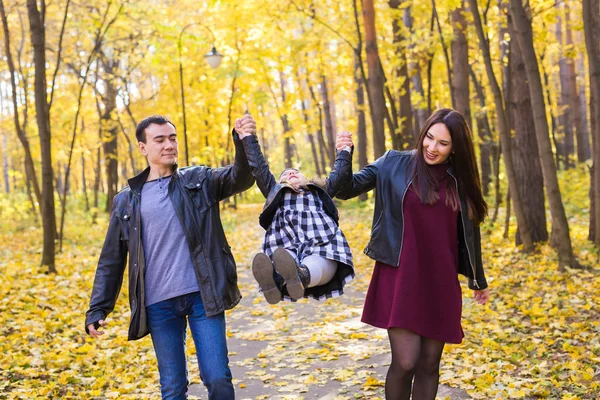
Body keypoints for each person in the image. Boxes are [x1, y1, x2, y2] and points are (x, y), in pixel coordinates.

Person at [85, 114, 257, 400]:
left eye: (173, 138)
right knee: (173, 388)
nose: (169, 145)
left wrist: (242, 142)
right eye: (160, 139)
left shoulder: (199, 180)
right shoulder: (126, 200)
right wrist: (98, 308)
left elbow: (242, 177)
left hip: (203, 295)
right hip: (158, 304)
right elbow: (112, 259)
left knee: (217, 378)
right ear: (143, 148)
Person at [336, 109, 490, 399]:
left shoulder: (461, 180)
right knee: (406, 362)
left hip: (440, 280)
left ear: (455, 147)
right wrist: (344, 154)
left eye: (442, 143)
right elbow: (344, 189)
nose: (432, 148)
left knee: (429, 364)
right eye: (429, 138)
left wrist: (478, 280)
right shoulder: (394, 163)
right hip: (401, 275)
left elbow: (471, 233)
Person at [239, 124, 355, 304]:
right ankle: (275, 280)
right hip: (287, 246)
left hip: (321, 243)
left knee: (321, 260)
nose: (291, 173)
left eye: (296, 172)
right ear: (279, 184)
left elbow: (339, 175)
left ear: (307, 179)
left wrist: (344, 150)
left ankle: (299, 277)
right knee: (283, 259)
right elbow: (259, 169)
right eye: (286, 175)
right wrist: (248, 139)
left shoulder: (318, 191)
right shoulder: (276, 193)